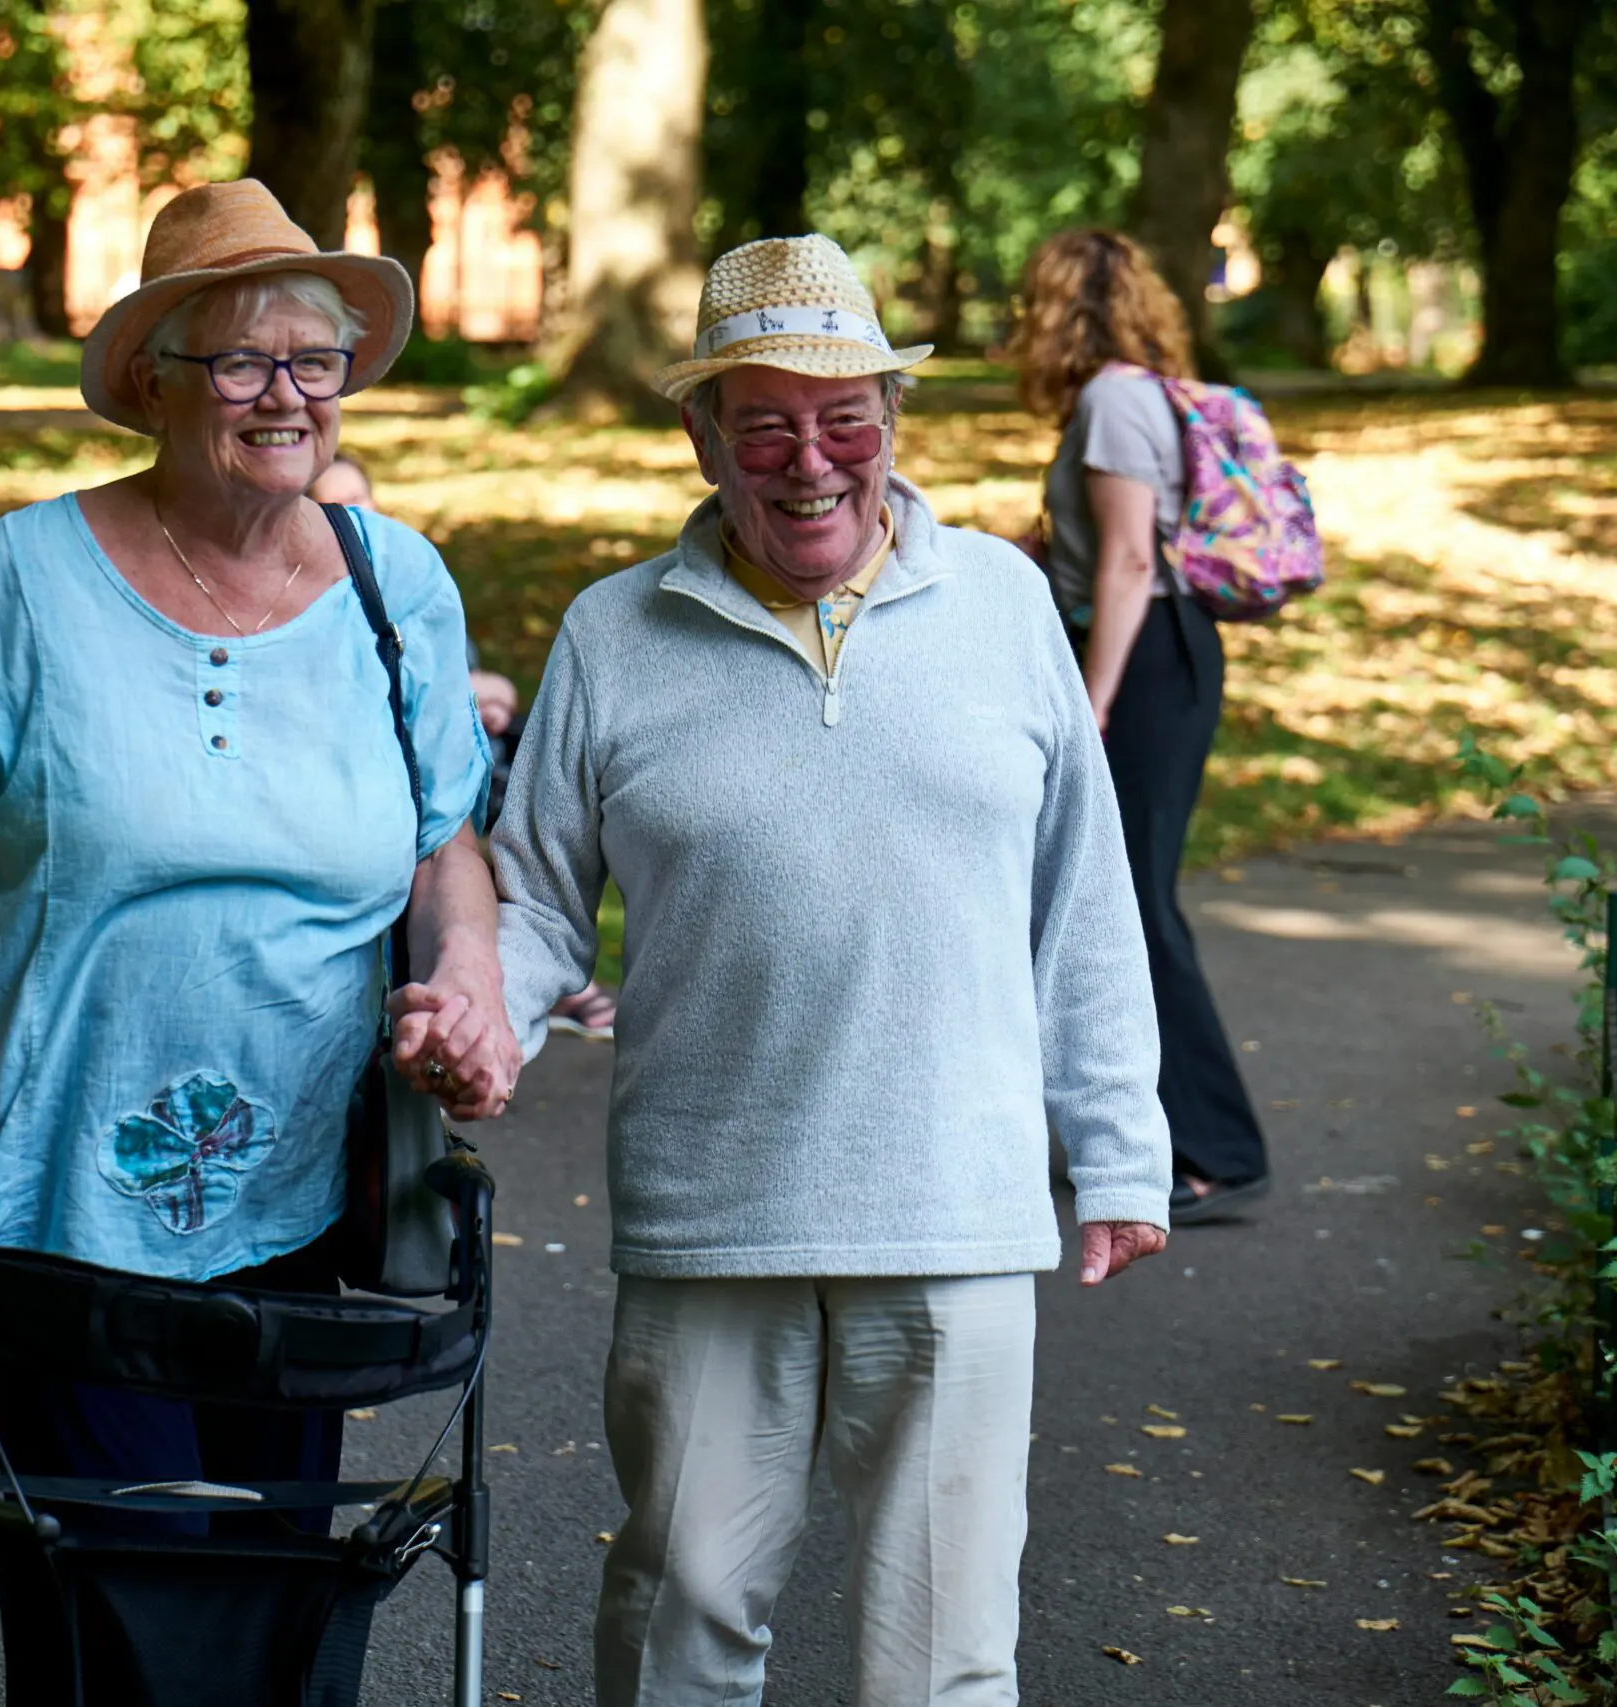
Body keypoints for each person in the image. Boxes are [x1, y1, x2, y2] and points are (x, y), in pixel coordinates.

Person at [456, 233, 1172, 1707]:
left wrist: (1120, 1146)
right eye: (765, 423)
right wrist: (484, 1010)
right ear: (702, 435)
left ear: (893, 426)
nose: (809, 461)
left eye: (844, 419)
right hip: (715, 1208)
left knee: (946, 1650)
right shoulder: (614, 631)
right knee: (680, 1615)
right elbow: (533, 897)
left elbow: (1082, 895)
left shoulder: (1001, 604)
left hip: (956, 1204)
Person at [0, 178, 517, 1700]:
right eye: (242, 360)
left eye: (316, 359)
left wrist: (466, 975)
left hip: (311, 1206)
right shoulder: (23, 579)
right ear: (157, 376)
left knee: (280, 1601)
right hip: (61, 1189)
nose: (286, 395)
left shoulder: (390, 585)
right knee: (130, 1622)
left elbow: (441, 839)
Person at [1009, 227, 1270, 1225]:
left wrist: (1095, 699)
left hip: (1145, 659)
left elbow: (1126, 562)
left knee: (1136, 908)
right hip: (1145, 650)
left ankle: (1216, 1151)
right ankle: (1164, 1136)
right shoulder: (1121, 397)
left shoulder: (1115, 400)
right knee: (1116, 902)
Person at [310, 451, 621, 1041]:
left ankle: (533, 981)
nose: (353, 515)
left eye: (361, 501)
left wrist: (488, 696)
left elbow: (468, 686)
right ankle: (536, 986)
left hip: (468, 780)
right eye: (334, 505)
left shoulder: (402, 587)